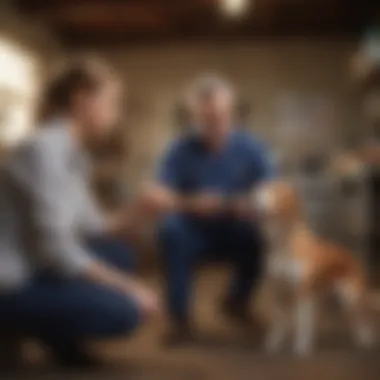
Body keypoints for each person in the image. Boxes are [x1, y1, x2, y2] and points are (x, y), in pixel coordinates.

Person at [0, 58, 158, 369]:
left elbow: (95, 227)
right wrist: (130, 287)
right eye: (112, 102)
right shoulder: (43, 150)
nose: (117, 114)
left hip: (36, 266)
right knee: (123, 310)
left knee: (118, 254)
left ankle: (57, 336)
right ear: (82, 100)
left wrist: (143, 207)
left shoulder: (75, 155)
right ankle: (12, 327)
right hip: (11, 280)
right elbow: (58, 250)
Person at [143, 75, 274, 343]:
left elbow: (273, 191)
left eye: (222, 115)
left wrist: (249, 204)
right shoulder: (180, 148)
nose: (216, 123)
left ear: (233, 113)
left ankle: (237, 301)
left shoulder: (252, 147)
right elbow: (157, 194)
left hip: (235, 226)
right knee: (171, 230)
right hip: (192, 230)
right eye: (208, 117)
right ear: (196, 117)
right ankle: (180, 319)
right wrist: (191, 203)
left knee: (258, 236)